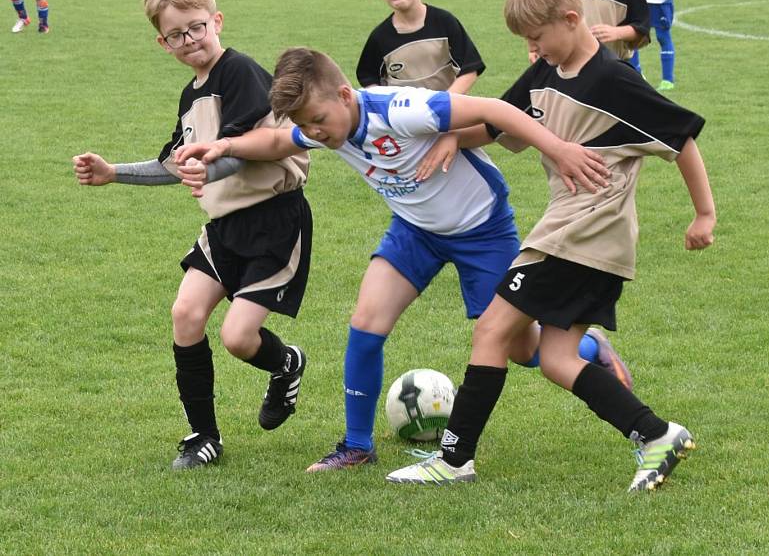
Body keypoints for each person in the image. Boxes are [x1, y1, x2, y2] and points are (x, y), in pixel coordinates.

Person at [175, 46, 624, 475]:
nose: (314, 132)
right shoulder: (323, 127)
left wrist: (558, 150)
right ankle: (356, 446)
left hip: (481, 230)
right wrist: (224, 147)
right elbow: (276, 141)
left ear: (345, 96)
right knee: (366, 324)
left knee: (521, 348)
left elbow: (496, 111)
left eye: (318, 120)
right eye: (305, 125)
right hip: (415, 231)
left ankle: (591, 350)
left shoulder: (399, 109)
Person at [385, 0, 715, 492]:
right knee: (559, 359)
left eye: (537, 37)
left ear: (570, 17)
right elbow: (495, 123)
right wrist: (446, 137)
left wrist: (704, 214)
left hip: (583, 234)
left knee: (492, 330)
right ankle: (656, 435)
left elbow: (682, 137)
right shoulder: (544, 72)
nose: (532, 49)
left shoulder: (613, 80)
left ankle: (454, 459)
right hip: (578, 237)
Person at [72, 0, 313, 470]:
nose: (189, 41)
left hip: (274, 222)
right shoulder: (192, 95)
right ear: (163, 43)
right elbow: (175, 163)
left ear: (216, 20)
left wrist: (210, 166)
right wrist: (113, 172)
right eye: (176, 35)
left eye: (196, 28)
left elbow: (242, 149)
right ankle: (203, 436)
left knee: (238, 338)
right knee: (186, 315)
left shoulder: (240, 72)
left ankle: (286, 362)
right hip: (224, 227)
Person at [356, 0, 485, 94]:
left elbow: (469, 69)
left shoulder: (444, 23)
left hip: (449, 114)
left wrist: (445, 103)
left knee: (479, 119)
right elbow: (368, 78)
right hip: (402, 118)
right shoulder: (380, 37)